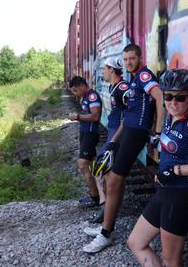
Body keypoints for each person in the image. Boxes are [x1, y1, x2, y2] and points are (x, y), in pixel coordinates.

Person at [127, 69, 188, 267]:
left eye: (180, 97)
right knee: (135, 242)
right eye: (168, 96)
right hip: (165, 191)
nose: (173, 102)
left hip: (181, 196)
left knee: (171, 263)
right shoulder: (170, 117)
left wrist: (177, 170)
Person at [83, 43, 165, 253]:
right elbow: (126, 117)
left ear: (140, 58)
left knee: (115, 181)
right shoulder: (134, 79)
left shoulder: (144, 76)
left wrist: (157, 131)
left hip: (137, 132)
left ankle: (105, 234)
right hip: (127, 130)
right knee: (111, 181)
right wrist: (113, 141)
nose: (129, 62)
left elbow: (159, 97)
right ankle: (105, 228)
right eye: (126, 59)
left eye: (132, 58)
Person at [90, 57, 130, 223]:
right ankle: (106, 206)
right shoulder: (114, 87)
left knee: (101, 169)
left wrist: (114, 139)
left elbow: (129, 115)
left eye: (104, 69)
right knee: (103, 171)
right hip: (114, 133)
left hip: (117, 135)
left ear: (112, 69)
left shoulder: (123, 88)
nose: (102, 72)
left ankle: (106, 208)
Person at [68, 76, 102, 209]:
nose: (76, 93)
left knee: (82, 163)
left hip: (90, 134)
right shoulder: (85, 96)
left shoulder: (92, 96)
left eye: (76, 90)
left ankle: (95, 198)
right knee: (91, 165)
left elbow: (95, 116)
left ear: (83, 86)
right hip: (85, 133)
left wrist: (76, 116)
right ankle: (99, 195)